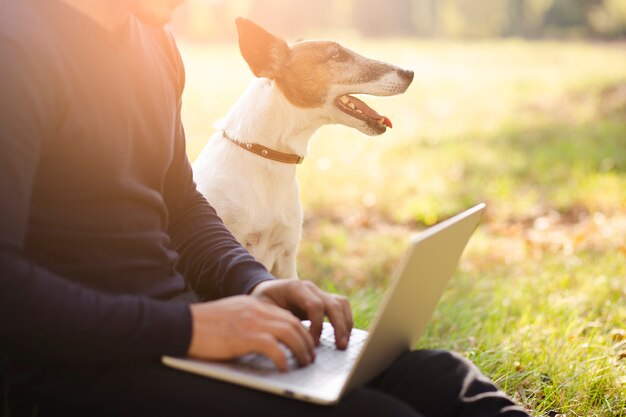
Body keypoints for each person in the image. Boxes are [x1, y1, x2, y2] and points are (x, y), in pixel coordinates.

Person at [0, 0, 531, 416]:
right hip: (76, 374)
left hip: (174, 330)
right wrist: (188, 329)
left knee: (441, 379)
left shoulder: (154, 41)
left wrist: (255, 282)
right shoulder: (16, 48)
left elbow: (180, 202)